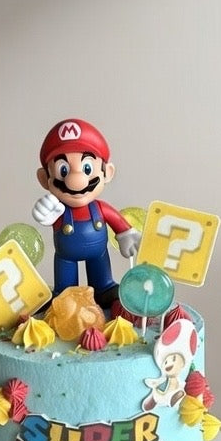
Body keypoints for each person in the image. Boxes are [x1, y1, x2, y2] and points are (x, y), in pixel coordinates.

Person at [33, 118, 140, 308]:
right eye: (63, 170)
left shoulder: (100, 208)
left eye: (87, 168)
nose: (76, 180)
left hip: (98, 254)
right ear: (44, 178)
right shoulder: (57, 210)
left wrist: (126, 234)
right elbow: (48, 218)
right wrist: (45, 214)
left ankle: (104, 288)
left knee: (102, 279)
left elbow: (116, 220)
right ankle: (66, 295)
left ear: (107, 173)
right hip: (65, 256)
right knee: (66, 293)